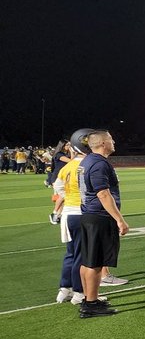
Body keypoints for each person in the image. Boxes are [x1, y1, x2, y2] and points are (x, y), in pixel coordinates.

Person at [77, 130, 130, 318]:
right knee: (95, 262)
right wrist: (120, 219)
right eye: (110, 139)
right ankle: (91, 305)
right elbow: (103, 194)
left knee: (88, 261)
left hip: (89, 215)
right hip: (99, 217)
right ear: (102, 143)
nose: (113, 141)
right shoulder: (99, 163)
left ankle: (89, 299)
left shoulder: (88, 161)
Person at [52, 129, 91, 305]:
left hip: (69, 212)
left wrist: (68, 197)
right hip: (81, 212)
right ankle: (79, 292)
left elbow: (58, 187)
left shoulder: (67, 166)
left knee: (71, 253)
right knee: (82, 255)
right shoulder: (89, 164)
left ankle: (64, 288)